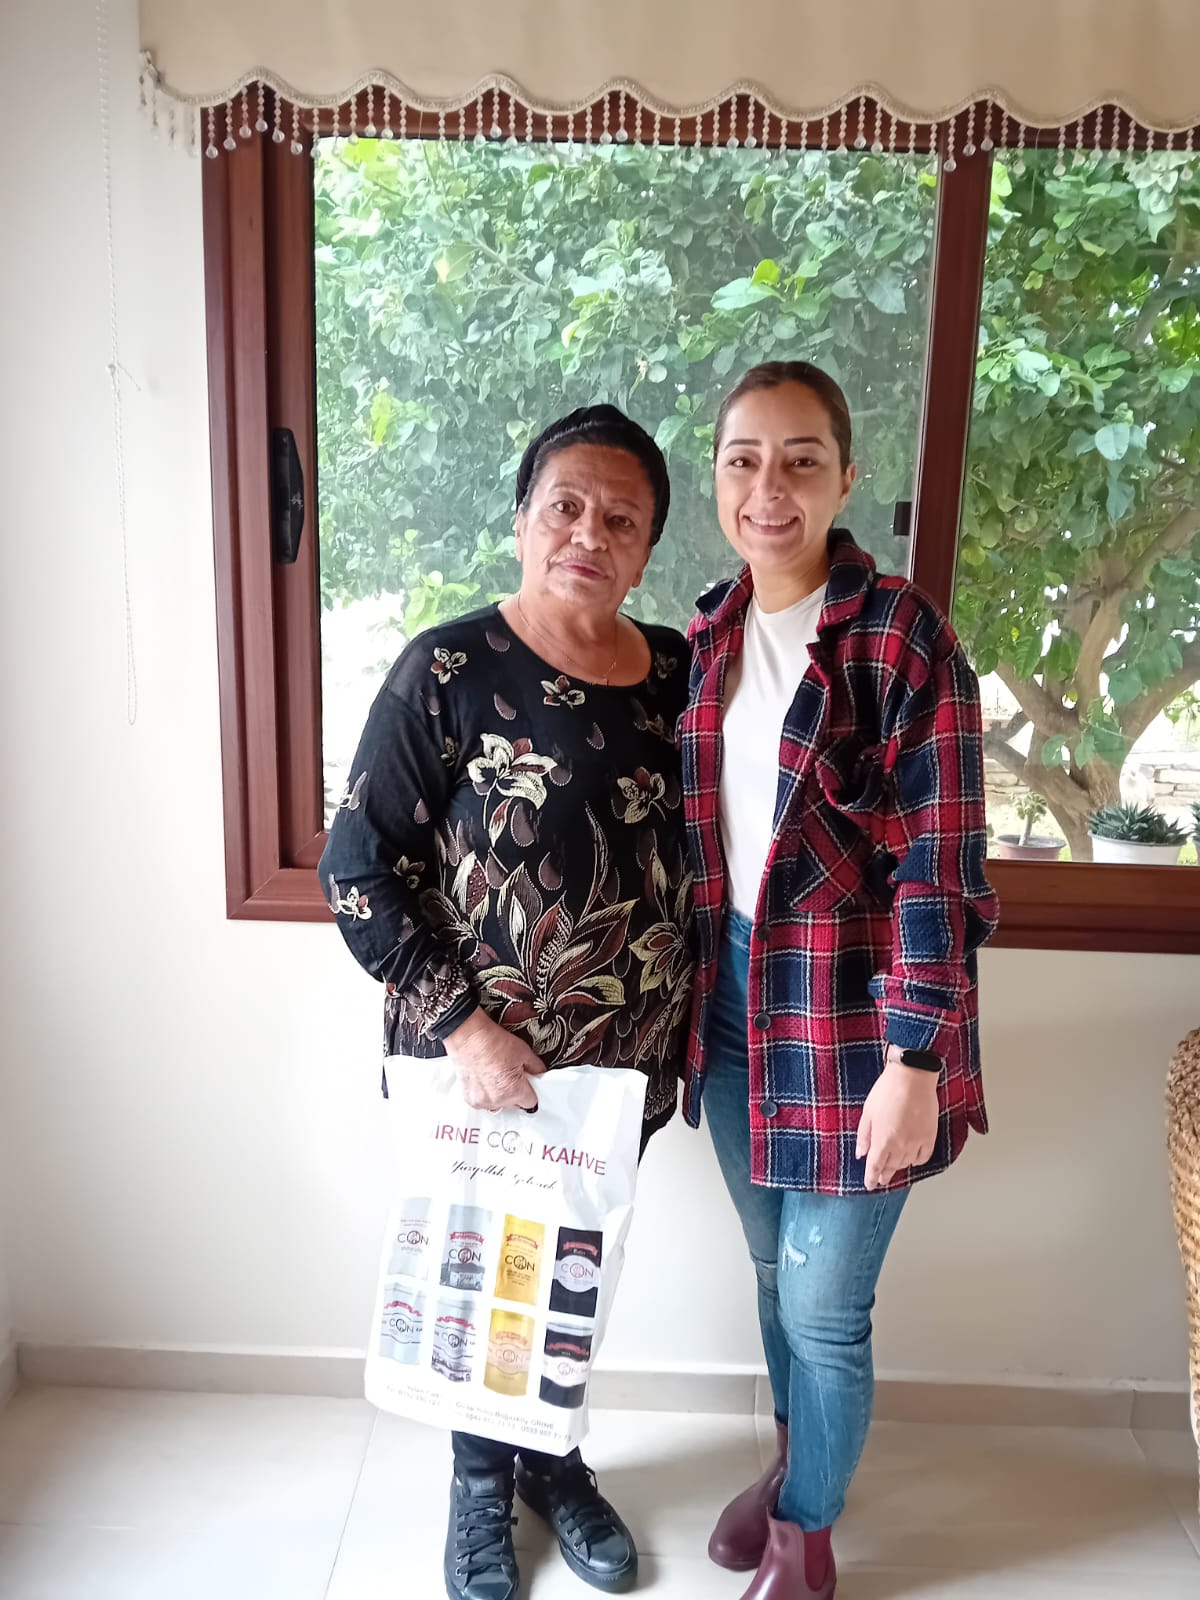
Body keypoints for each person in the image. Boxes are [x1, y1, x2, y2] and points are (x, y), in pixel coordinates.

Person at [319, 405, 694, 1600]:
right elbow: (357, 868)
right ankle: (480, 1490)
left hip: (621, 1069)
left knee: (573, 1275)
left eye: (621, 518)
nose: (590, 533)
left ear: (647, 548)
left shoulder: (678, 673)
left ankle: (552, 1460)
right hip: (481, 1060)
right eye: (565, 506)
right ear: (523, 520)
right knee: (487, 1280)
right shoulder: (447, 669)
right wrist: (466, 1030)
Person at [679, 362, 998, 1600]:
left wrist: (916, 1059)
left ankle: (806, 1536)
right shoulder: (708, 633)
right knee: (771, 1271)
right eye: (745, 459)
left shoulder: (902, 637)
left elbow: (942, 870)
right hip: (733, 1005)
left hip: (864, 1021)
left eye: (801, 459)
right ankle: (793, 1463)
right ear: (717, 477)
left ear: (846, 477)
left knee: (823, 1306)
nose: (771, 487)